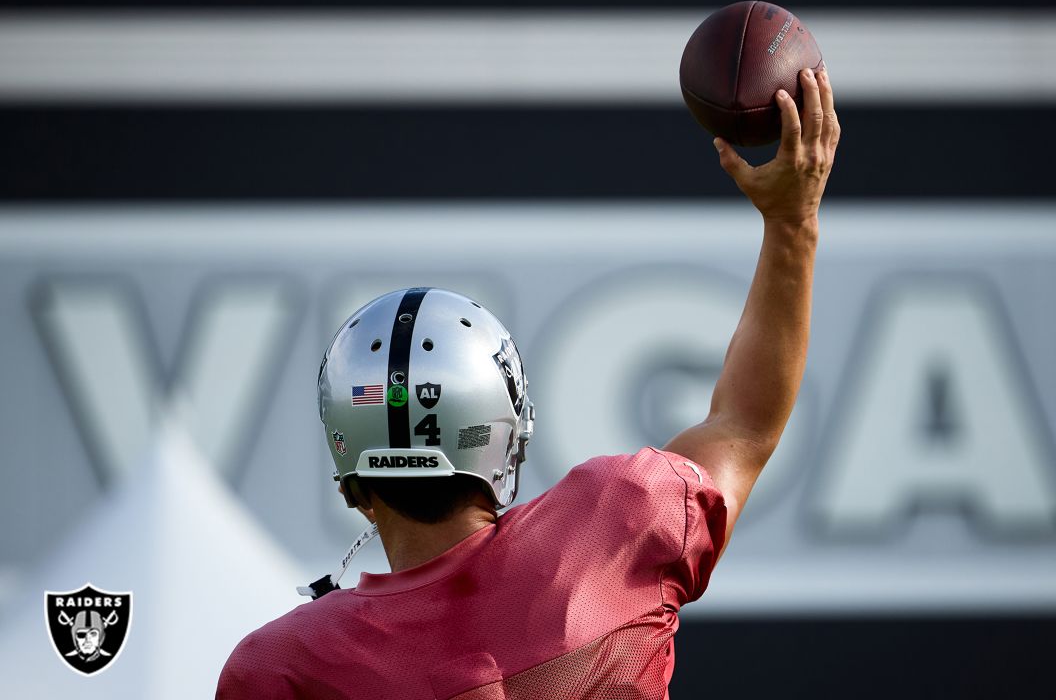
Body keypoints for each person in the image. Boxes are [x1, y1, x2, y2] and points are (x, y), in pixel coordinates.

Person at [216, 66, 838, 699]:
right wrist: (793, 222)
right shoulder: (614, 527)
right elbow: (745, 424)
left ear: (351, 479)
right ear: (504, 436)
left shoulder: (285, 668)